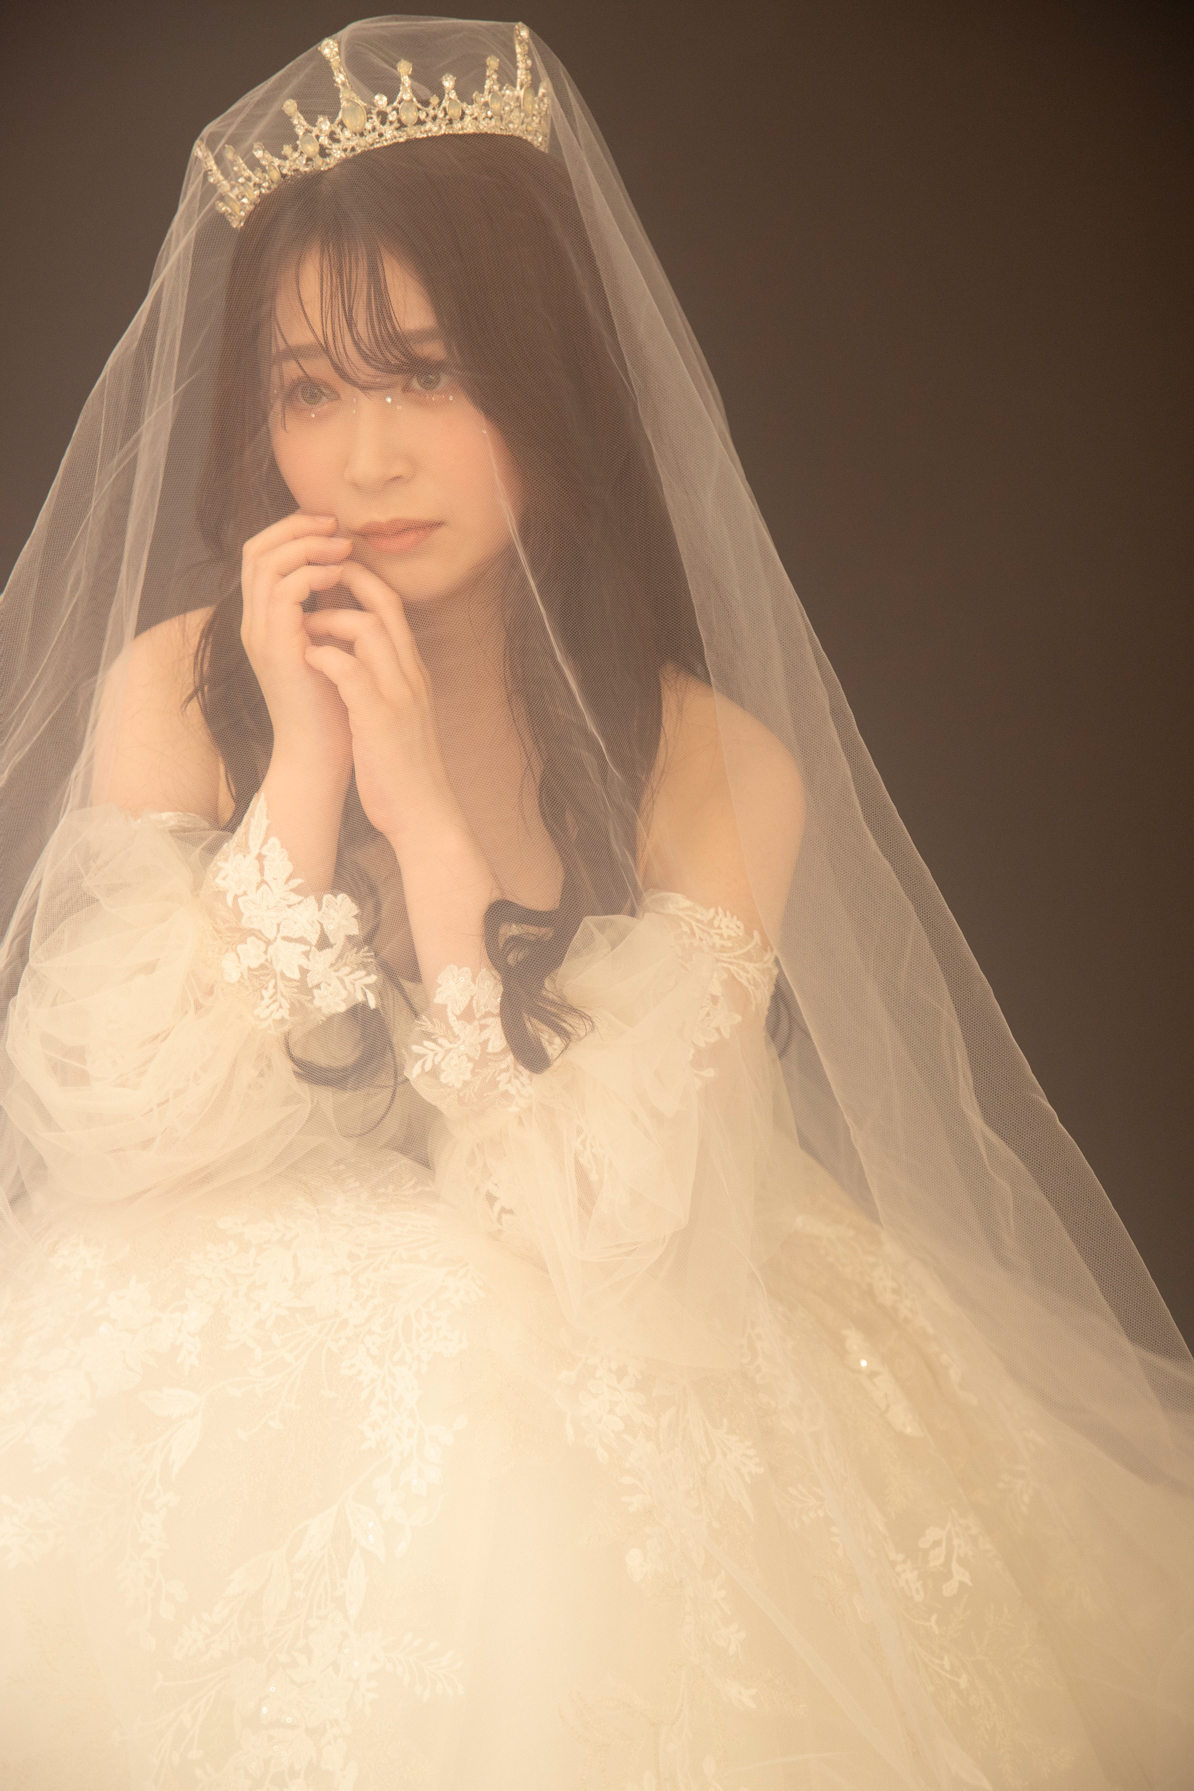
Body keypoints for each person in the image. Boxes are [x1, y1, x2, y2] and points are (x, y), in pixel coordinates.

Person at [0, 18, 1190, 1790]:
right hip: (234, 1332)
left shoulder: (714, 768)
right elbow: (129, 1139)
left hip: (594, 1304)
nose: (362, 463)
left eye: (424, 375)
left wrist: (427, 817)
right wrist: (309, 770)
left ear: (545, 381)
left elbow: (606, 1232)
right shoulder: (183, 683)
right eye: (309, 392)